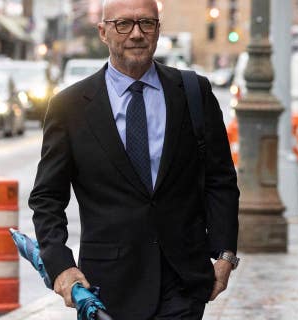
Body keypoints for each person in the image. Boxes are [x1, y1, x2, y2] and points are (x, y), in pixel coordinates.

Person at [29, 0, 239, 319]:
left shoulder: (193, 92)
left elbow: (220, 180)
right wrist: (61, 266)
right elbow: (47, 198)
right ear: (103, 32)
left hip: (183, 280)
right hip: (108, 286)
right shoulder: (69, 107)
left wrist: (225, 253)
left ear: (158, 29)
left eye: (147, 23)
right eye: (123, 24)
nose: (137, 34)